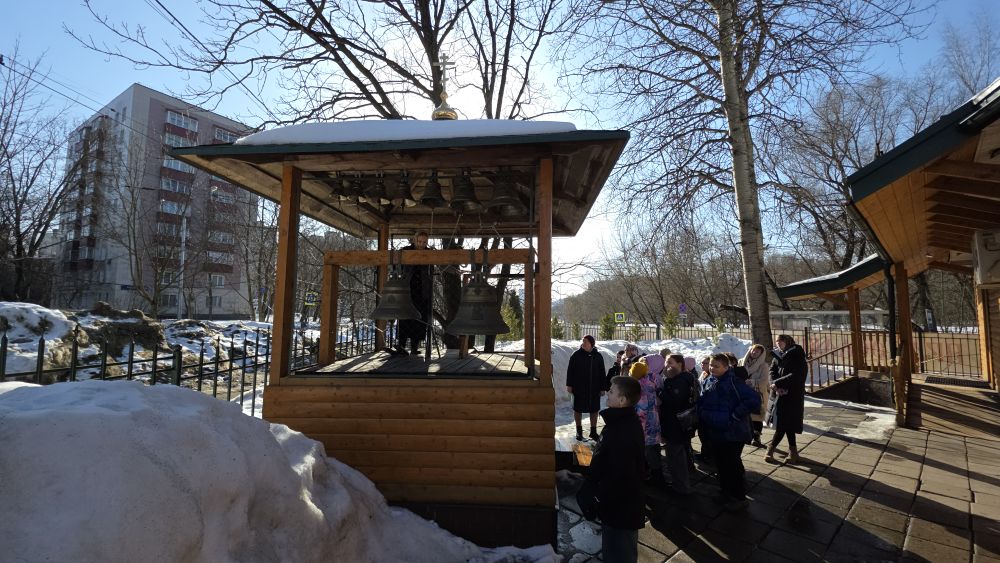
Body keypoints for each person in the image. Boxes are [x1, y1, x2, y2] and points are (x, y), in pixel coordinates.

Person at [578, 376, 645, 563]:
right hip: (617, 506)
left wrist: (599, 497)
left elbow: (621, 476)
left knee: (619, 553)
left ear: (622, 400)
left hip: (620, 508)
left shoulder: (622, 431)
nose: (608, 393)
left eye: (612, 391)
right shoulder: (620, 423)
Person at [698, 353, 761, 512]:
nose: (712, 368)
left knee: (732, 466)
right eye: (711, 365)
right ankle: (726, 492)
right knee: (721, 465)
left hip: (732, 433)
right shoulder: (709, 380)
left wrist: (735, 414)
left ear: (726, 367)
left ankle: (739, 498)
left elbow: (754, 400)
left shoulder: (734, 382)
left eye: (716, 366)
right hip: (715, 430)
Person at [766, 335, 808, 464]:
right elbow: (771, 371)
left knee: (783, 424)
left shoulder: (797, 355)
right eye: (777, 341)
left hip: (792, 395)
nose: (778, 343)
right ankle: (793, 452)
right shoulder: (778, 355)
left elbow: (796, 376)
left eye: (781, 341)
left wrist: (778, 384)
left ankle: (770, 449)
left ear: (788, 342)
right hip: (778, 394)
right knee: (786, 423)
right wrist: (774, 384)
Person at [658, 354, 696, 495]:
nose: (667, 365)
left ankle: (681, 488)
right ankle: (679, 484)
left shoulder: (680, 381)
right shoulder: (676, 378)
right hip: (675, 423)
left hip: (676, 424)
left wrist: (660, 392)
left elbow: (675, 401)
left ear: (680, 364)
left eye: (670, 362)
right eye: (666, 362)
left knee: (676, 457)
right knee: (676, 455)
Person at [632, 354, 665, 486]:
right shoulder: (653, 378)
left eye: (647, 362)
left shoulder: (650, 379)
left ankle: (655, 476)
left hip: (646, 418)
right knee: (652, 447)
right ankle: (654, 473)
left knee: (649, 448)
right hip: (651, 417)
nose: (644, 364)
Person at [398, 231, 433, 355]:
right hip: (408, 289)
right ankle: (401, 345)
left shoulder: (429, 253)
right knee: (404, 318)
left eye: (424, 242)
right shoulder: (406, 251)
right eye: (420, 241)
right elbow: (399, 265)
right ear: (415, 240)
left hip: (422, 290)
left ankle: (414, 347)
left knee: (419, 318)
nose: (422, 244)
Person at [566, 335, 607, 441]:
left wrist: (603, 387)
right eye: (583, 341)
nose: (583, 343)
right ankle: (578, 432)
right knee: (578, 409)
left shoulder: (597, 356)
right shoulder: (576, 355)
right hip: (579, 387)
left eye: (586, 341)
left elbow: (602, 372)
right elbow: (570, 371)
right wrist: (569, 385)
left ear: (591, 344)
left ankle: (593, 432)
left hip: (594, 388)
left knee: (594, 409)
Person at [741, 344, 770, 448]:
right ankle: (747, 435)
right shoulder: (742, 362)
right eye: (753, 350)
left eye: (757, 352)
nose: (754, 353)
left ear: (761, 354)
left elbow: (764, 381)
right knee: (745, 415)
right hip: (744, 394)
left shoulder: (764, 366)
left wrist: (752, 382)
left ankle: (756, 437)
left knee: (757, 417)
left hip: (758, 395)